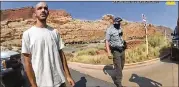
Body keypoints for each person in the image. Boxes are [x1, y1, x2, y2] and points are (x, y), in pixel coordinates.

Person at [21, 2, 75, 87]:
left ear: (48, 12)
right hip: (41, 83)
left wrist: (68, 76)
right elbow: (27, 62)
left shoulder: (55, 32)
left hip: (59, 81)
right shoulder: (27, 34)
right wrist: (33, 84)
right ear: (35, 13)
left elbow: (61, 55)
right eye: (39, 8)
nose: (43, 10)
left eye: (45, 8)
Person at [105, 17, 127, 87]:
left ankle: (117, 73)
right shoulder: (109, 30)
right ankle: (118, 82)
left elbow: (121, 36)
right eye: (118, 22)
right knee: (119, 67)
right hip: (115, 51)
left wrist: (124, 43)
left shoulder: (120, 28)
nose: (119, 23)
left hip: (122, 49)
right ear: (114, 22)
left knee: (122, 64)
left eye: (120, 22)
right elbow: (107, 41)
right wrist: (108, 52)